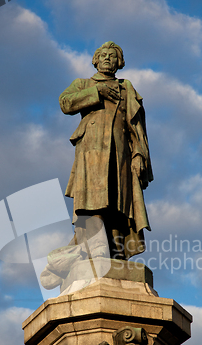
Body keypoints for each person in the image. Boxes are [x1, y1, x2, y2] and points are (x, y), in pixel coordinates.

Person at [59, 41, 153, 260]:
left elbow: (136, 127)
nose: (107, 59)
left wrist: (139, 154)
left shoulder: (126, 87)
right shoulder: (83, 84)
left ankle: (115, 248)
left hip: (120, 152)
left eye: (112, 56)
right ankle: (96, 245)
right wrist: (96, 91)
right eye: (103, 56)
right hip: (91, 150)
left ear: (119, 62)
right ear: (95, 60)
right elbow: (65, 103)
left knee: (118, 200)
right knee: (93, 198)